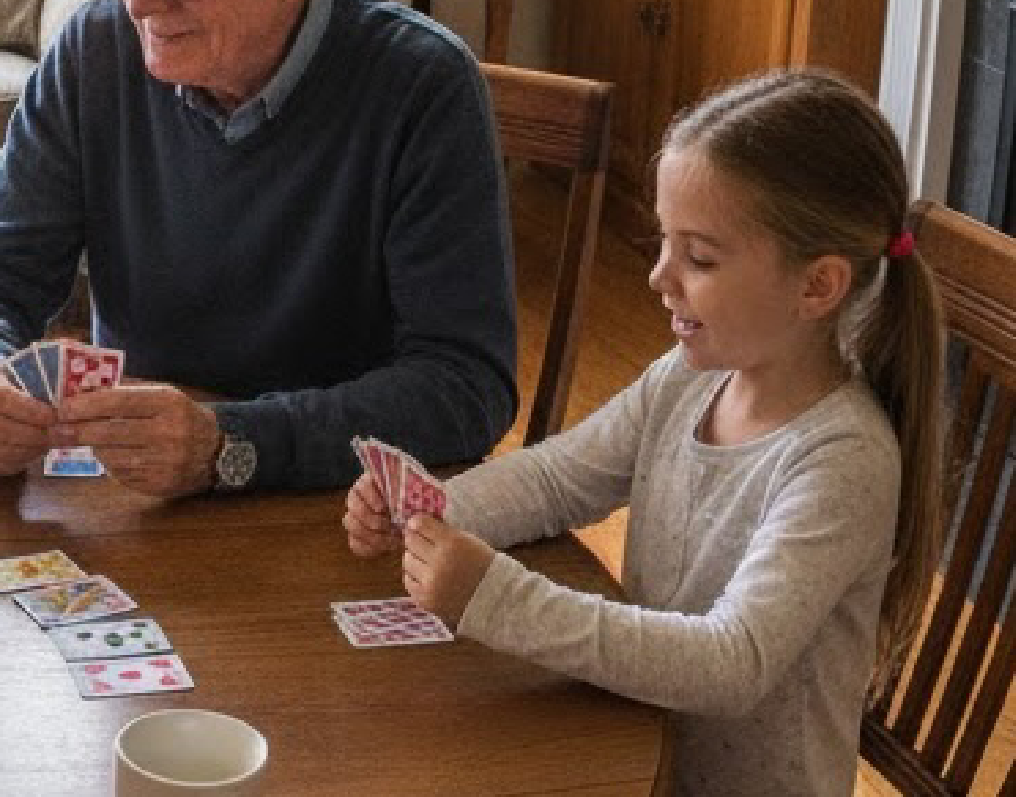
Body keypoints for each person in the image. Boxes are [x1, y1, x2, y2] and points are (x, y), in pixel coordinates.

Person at [348, 69, 945, 796]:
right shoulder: (691, 376)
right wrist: (436, 511)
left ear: (817, 286)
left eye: (699, 258)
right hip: (633, 756)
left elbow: (732, 661)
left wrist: (497, 598)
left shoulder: (842, 459)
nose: (659, 276)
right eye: (665, 243)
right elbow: (557, 477)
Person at [0, 0, 517, 498]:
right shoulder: (96, 52)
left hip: (336, 509)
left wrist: (231, 444)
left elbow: (466, 386)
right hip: (138, 499)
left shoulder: (423, 85)